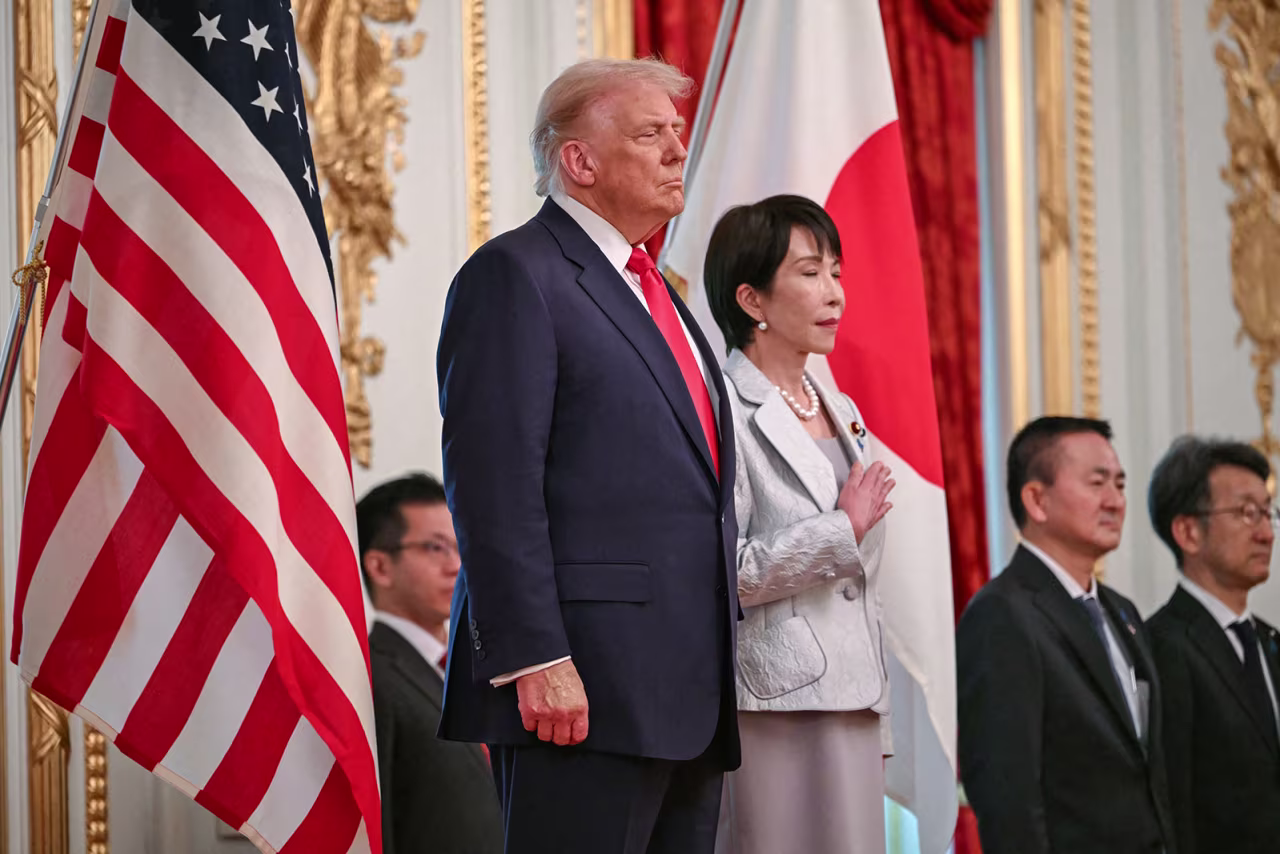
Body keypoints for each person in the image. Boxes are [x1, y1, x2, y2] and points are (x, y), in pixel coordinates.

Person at [435, 58, 740, 854]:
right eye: (651, 133)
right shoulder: (515, 274)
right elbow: (493, 488)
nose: (678, 149)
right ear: (580, 160)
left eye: (677, 132)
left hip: (687, 693)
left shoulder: (657, 291)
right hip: (580, 690)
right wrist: (536, 655)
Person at [701, 194, 894, 854]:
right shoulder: (720, 408)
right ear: (751, 298)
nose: (834, 292)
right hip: (775, 702)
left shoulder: (842, 408)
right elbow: (723, 570)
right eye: (810, 273)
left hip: (854, 700)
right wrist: (841, 530)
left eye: (836, 271)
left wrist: (881, 713)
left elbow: (864, 592)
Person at [957, 417, 1175, 854]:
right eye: (1097, 483)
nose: (1115, 501)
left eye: (1119, 484)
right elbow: (1008, 797)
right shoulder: (1002, 614)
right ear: (1037, 500)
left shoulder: (1122, 612)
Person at [356, 473, 503, 854]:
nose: (457, 566)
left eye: (461, 546)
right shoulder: (368, 680)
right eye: (436, 548)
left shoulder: (480, 667)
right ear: (380, 566)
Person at [1146, 436, 1280, 853]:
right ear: (1188, 531)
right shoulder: (1163, 646)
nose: (1266, 533)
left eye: (1268, 513)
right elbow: (1174, 805)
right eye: (1246, 513)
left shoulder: (1269, 640)